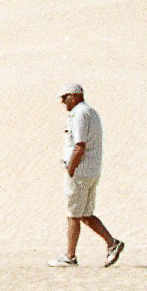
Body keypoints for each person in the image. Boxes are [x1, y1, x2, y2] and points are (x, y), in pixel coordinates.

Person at [50, 82, 123, 266]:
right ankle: (112, 243)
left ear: (74, 96)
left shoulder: (80, 113)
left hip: (80, 172)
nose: (62, 102)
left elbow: (79, 144)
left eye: (64, 97)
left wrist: (71, 168)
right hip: (90, 171)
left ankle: (69, 256)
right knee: (84, 213)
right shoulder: (90, 112)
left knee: (73, 214)